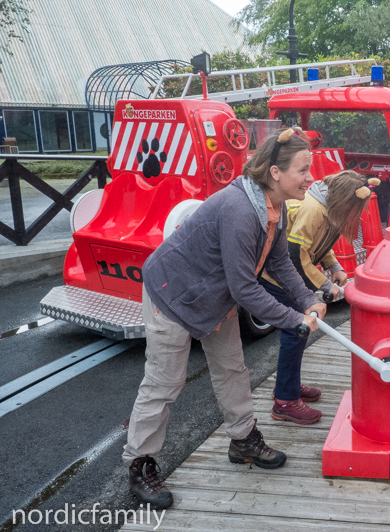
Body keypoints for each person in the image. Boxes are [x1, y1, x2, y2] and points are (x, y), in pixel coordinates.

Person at [122, 127, 327, 510]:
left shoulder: (275, 207)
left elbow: (280, 260)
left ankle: (243, 440)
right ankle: (140, 462)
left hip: (214, 296)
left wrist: (308, 299)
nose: (310, 177)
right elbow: (245, 288)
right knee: (165, 382)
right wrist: (294, 319)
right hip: (173, 292)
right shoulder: (239, 210)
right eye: (303, 169)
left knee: (232, 368)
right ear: (276, 173)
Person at [260, 170, 379, 425]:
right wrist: (325, 283)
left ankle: (287, 384)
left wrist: (335, 266)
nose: (354, 214)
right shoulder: (312, 209)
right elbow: (296, 253)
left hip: (285, 274)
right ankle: (284, 400)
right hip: (274, 275)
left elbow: (319, 244)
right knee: (296, 329)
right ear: (346, 200)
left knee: (297, 331)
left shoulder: (327, 208)